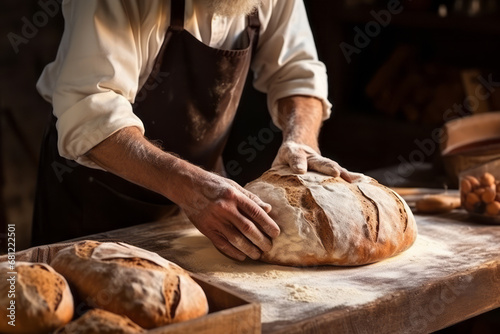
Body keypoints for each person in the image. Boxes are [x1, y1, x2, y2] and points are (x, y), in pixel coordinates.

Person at [32, 0, 355, 261]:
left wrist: (301, 140)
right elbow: (90, 111)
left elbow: (297, 73)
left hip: (203, 203)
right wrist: (190, 188)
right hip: (95, 202)